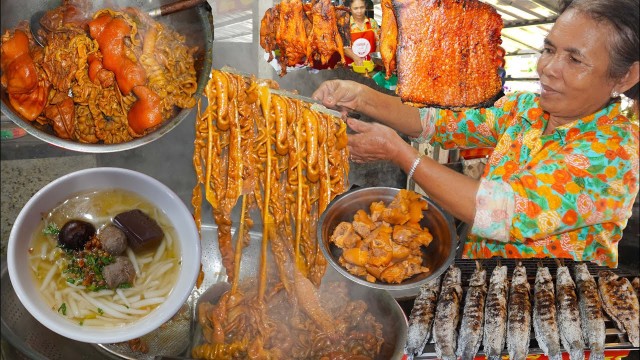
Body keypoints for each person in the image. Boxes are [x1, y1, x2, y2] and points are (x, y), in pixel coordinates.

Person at [313, 0, 639, 267]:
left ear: (624, 77)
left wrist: (401, 153)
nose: (548, 68)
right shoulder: (525, 110)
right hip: (479, 286)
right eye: (550, 50)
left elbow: (503, 212)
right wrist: (359, 95)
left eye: (574, 59)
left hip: (550, 319)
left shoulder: (615, 151)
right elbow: (436, 123)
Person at [343, 0, 379, 67]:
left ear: (365, 6)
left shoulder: (372, 23)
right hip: (352, 67)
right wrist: (355, 58)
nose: (359, 11)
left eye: (362, 7)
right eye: (355, 8)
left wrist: (375, 59)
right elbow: (344, 47)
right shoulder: (346, 25)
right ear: (350, 9)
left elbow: (379, 44)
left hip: (371, 66)